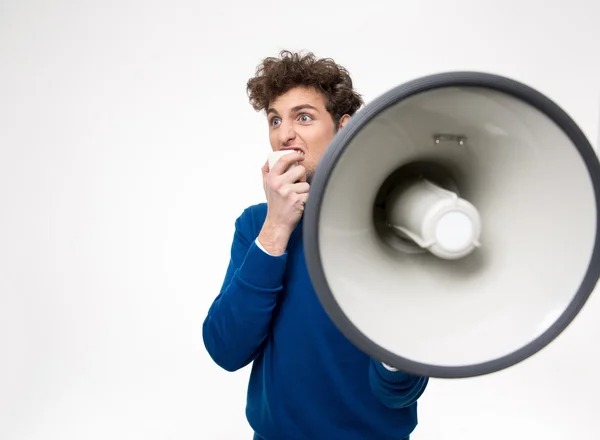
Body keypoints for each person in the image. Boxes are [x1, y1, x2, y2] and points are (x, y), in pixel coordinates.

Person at [202, 50, 429, 440]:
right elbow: (226, 349)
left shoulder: (392, 225)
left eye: (303, 117)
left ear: (344, 128)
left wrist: (399, 342)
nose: (284, 134)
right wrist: (276, 228)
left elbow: (398, 392)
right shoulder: (256, 224)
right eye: (275, 119)